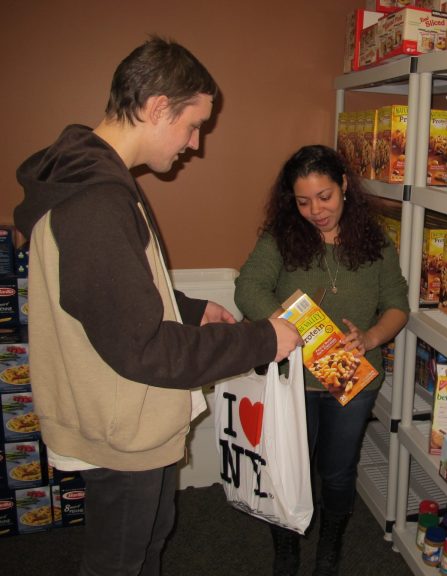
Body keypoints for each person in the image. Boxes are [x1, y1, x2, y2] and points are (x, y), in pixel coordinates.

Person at [13, 36, 303, 576]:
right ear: (157, 108)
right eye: (193, 125)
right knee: (120, 560)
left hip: (125, 413)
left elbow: (113, 295)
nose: (195, 144)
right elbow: (145, 348)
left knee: (151, 538)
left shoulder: (93, 180)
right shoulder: (95, 203)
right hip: (124, 426)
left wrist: (191, 310)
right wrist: (264, 339)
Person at [234, 144, 409, 576]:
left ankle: (329, 547)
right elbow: (249, 288)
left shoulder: (374, 240)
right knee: (287, 469)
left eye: (325, 196)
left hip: (351, 377)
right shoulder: (280, 237)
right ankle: (287, 548)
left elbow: (397, 305)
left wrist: (369, 337)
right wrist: (287, 329)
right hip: (293, 379)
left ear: (345, 186)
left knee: (337, 471)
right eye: (303, 201)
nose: (315, 210)